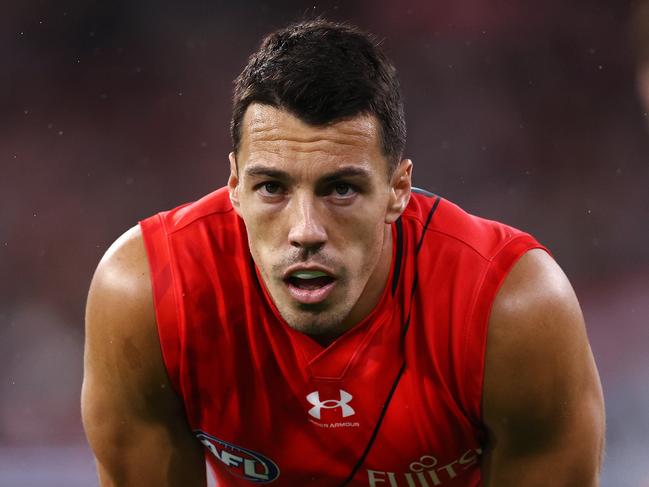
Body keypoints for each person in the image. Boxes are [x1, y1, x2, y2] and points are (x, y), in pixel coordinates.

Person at [81, 19, 605, 486]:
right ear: (235, 185)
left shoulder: (511, 308)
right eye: (272, 187)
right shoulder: (147, 293)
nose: (305, 230)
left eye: (341, 189)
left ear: (398, 190)